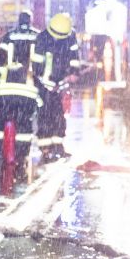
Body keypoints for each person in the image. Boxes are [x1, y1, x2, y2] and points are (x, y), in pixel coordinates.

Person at [0, 11, 40, 169]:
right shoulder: (38, 37)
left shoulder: (7, 36)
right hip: (27, 88)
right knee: (24, 124)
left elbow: (0, 63)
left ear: (18, 20)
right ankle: (21, 156)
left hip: (5, 88)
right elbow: (39, 64)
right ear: (30, 21)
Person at [32, 12, 82, 162]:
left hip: (60, 82)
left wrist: (74, 73)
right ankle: (45, 149)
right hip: (44, 85)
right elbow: (37, 67)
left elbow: (74, 58)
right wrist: (47, 84)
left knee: (59, 116)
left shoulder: (70, 37)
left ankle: (58, 147)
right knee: (45, 116)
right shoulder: (42, 39)